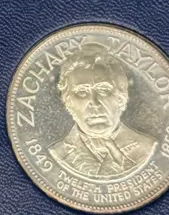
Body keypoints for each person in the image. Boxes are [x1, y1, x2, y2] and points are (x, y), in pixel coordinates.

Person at [49, 40, 156, 179]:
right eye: (82, 92)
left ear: (121, 96)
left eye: (103, 89)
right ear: (68, 101)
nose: (94, 103)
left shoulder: (148, 148)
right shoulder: (57, 154)